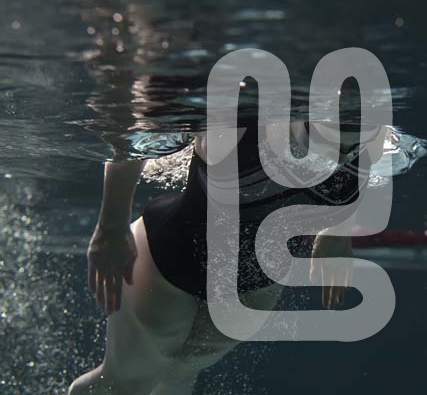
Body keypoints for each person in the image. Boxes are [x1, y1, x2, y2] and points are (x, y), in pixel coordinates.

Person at [67, 110, 381, 394]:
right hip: (171, 259)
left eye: (347, 149)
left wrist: (338, 233)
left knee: (180, 376)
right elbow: (137, 138)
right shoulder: (239, 122)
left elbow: (354, 177)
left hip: (256, 283)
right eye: (324, 143)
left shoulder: (368, 139)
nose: (333, 159)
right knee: (124, 385)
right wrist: (111, 226)